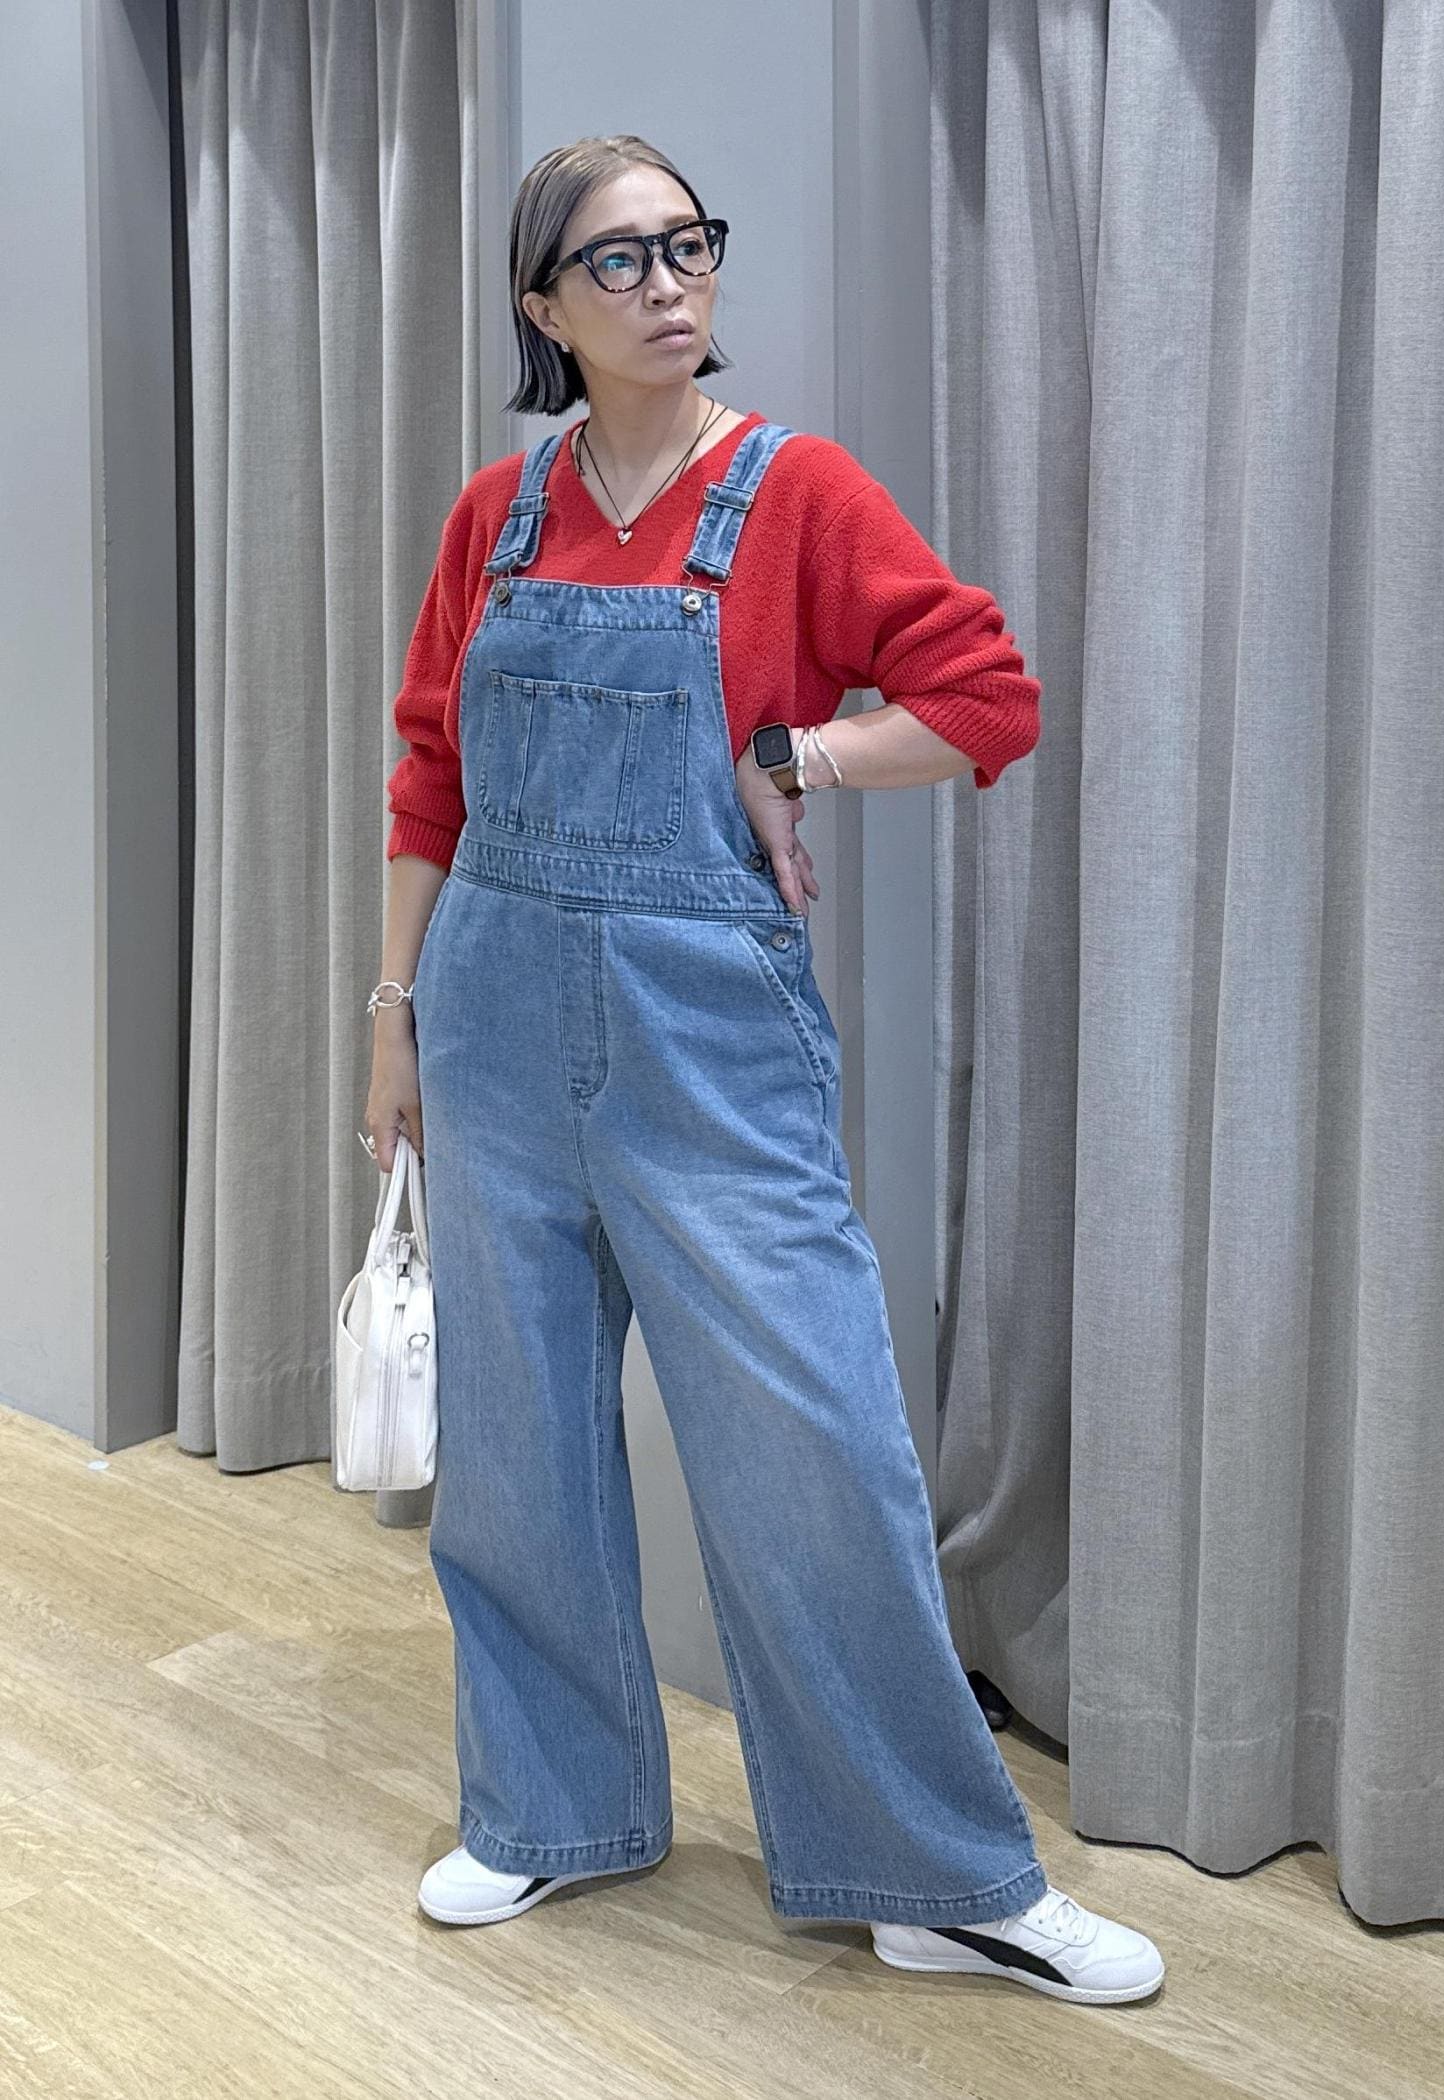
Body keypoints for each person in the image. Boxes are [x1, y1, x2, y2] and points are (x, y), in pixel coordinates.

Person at [365, 132, 1164, 2008]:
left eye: (687, 244)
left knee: (816, 1445)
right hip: (487, 1009)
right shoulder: (497, 515)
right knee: (519, 1450)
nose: (667, 282)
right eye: (618, 258)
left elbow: (985, 698)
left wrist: (803, 753)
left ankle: (931, 1874)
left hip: (704, 1030)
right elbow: (430, 769)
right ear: (542, 305)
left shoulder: (793, 492)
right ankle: (552, 1809)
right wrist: (392, 1018)